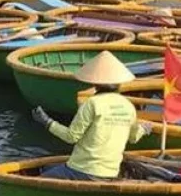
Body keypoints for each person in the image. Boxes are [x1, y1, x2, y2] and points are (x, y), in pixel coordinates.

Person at [31, 50, 151, 181]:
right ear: (119, 83)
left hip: (82, 170)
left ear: (95, 84)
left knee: (39, 180)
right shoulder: (128, 106)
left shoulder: (92, 103)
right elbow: (133, 138)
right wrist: (144, 129)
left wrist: (47, 122)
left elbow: (71, 137)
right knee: (50, 167)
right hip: (111, 172)